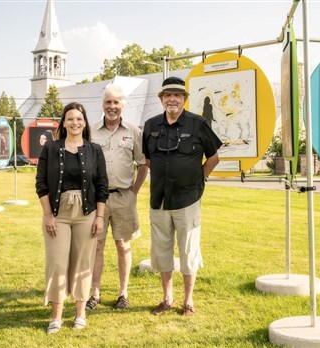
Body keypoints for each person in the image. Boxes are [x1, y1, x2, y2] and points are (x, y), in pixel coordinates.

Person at [142, 76, 222, 317]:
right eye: (167, 95)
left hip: (188, 199)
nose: (172, 99)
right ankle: (167, 298)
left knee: (188, 251)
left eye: (177, 95)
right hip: (159, 200)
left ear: (185, 99)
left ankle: (188, 301)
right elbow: (147, 159)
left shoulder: (197, 124)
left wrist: (199, 180)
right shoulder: (151, 125)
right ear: (162, 99)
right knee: (162, 250)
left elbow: (214, 158)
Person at [35, 102, 109, 334]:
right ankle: (56, 317)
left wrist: (99, 217)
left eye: (79, 118)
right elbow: (41, 183)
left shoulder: (94, 150)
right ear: (64, 123)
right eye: (70, 118)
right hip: (58, 213)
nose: (75, 122)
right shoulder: (50, 148)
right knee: (57, 263)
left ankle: (80, 314)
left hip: (86, 213)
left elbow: (102, 185)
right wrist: (48, 216)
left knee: (82, 263)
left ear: (84, 122)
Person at [87, 84, 148, 311]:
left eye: (116, 102)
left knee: (123, 245)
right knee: (97, 246)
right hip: (97, 199)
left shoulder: (134, 131)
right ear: (102, 105)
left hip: (124, 197)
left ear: (123, 104)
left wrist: (133, 193)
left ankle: (123, 293)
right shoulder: (91, 132)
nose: (112, 107)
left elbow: (143, 164)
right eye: (108, 102)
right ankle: (95, 293)